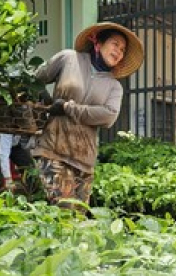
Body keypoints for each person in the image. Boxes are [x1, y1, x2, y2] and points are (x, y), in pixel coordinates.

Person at [33, 22, 143, 208]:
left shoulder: (114, 87)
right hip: (53, 150)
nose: (119, 51)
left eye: (123, 50)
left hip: (84, 161)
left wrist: (68, 108)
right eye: (115, 44)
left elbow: (108, 116)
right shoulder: (69, 59)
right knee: (64, 210)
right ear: (98, 43)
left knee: (78, 222)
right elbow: (35, 79)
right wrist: (43, 99)